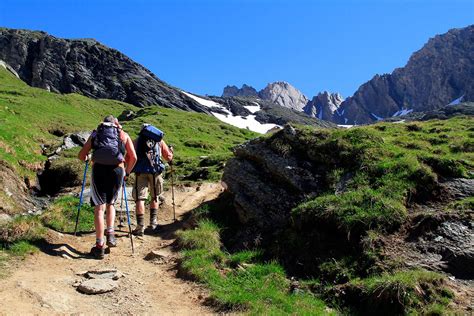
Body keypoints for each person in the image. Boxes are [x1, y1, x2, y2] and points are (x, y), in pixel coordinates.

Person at [78, 115, 137, 259]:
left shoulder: (96, 134)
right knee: (111, 204)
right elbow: (134, 157)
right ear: (116, 124)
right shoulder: (123, 134)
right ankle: (110, 234)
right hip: (117, 170)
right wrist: (127, 172)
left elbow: (81, 155)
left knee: (99, 207)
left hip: (99, 170)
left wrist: (87, 158)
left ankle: (99, 246)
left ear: (103, 124)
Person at [132, 124, 173, 236]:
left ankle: (140, 227)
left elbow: (130, 156)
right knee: (155, 196)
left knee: (140, 198)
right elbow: (168, 157)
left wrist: (127, 170)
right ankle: (153, 224)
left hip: (140, 172)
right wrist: (171, 152)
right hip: (155, 171)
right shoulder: (159, 141)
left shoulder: (136, 141)